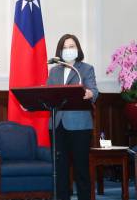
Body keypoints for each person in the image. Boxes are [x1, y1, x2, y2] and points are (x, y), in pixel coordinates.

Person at [47, 34, 99, 200]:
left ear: (77, 49)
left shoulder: (85, 69)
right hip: (57, 126)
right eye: (65, 47)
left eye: (72, 46)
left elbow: (94, 91)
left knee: (81, 170)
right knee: (60, 171)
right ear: (60, 51)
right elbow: (48, 94)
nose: (69, 50)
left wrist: (90, 93)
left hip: (79, 127)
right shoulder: (54, 71)